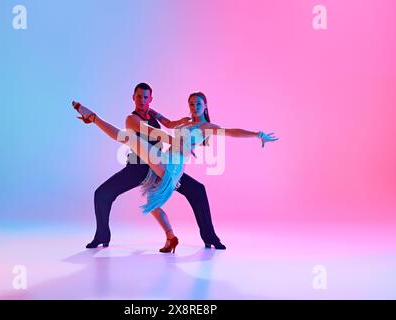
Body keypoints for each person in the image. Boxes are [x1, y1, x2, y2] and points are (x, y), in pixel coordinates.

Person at [73, 87, 278, 253]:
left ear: (205, 106)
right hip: (146, 165)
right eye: (191, 103)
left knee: (195, 190)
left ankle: (210, 237)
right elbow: (159, 127)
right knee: (145, 200)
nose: (194, 107)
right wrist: (174, 136)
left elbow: (229, 132)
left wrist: (256, 134)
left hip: (168, 166)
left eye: (198, 103)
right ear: (134, 98)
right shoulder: (139, 119)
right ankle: (165, 237)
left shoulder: (205, 126)